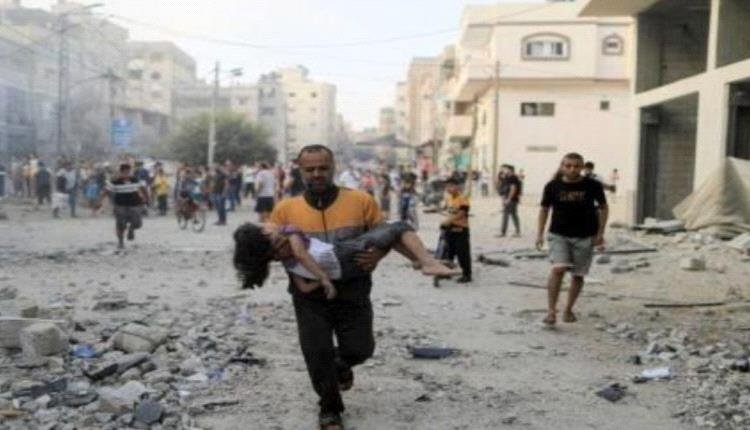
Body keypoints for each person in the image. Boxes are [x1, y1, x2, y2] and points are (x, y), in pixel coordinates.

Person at [267, 145, 391, 430]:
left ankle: (341, 364)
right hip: (309, 295)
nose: (317, 174)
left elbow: (385, 235)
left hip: (354, 288)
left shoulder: (361, 201)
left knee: (361, 349)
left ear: (333, 167)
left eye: (323, 168)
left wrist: (378, 255)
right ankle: (329, 409)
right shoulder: (286, 209)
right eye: (310, 169)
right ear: (300, 171)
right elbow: (272, 248)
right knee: (316, 351)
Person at [234, 221, 459, 297]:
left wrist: (323, 279)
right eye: (264, 228)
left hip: (346, 272)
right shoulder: (291, 235)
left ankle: (421, 260)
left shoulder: (288, 263)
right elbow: (303, 254)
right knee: (399, 227)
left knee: (389, 238)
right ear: (266, 237)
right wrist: (324, 278)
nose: (268, 225)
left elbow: (303, 287)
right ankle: (427, 262)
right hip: (343, 254)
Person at [536, 153, 609, 326]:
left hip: (585, 236)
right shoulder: (552, 186)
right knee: (558, 269)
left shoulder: (593, 185)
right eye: (568, 165)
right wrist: (539, 233)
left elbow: (604, 208)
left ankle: (568, 309)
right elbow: (544, 210)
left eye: (576, 166)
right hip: (559, 234)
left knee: (578, 275)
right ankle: (551, 311)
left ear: (582, 167)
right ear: (562, 166)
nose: (572, 169)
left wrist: (600, 233)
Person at [104, 163, 146, 250]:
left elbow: (143, 189)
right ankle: (121, 242)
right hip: (120, 206)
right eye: (124, 172)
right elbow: (106, 191)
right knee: (120, 225)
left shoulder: (135, 180)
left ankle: (131, 229)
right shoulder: (115, 182)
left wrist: (147, 199)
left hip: (135, 205)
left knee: (138, 223)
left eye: (128, 172)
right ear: (121, 172)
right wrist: (100, 201)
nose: (126, 174)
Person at [441, 177, 472, 283]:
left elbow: (462, 213)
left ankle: (467, 274)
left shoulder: (463, 198)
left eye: (451, 186)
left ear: (457, 187)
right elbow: (447, 210)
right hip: (449, 228)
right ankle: (448, 272)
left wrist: (449, 220)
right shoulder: (448, 198)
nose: (448, 188)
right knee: (449, 252)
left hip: (460, 229)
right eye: (447, 186)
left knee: (462, 253)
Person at [499, 165, 522, 237]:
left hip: (512, 199)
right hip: (508, 199)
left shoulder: (513, 178)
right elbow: (504, 188)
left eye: (505, 169)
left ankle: (503, 232)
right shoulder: (507, 177)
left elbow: (513, 189)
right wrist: (503, 199)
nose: (503, 170)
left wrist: (508, 199)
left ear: (510, 170)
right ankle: (517, 231)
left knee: (506, 214)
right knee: (513, 215)